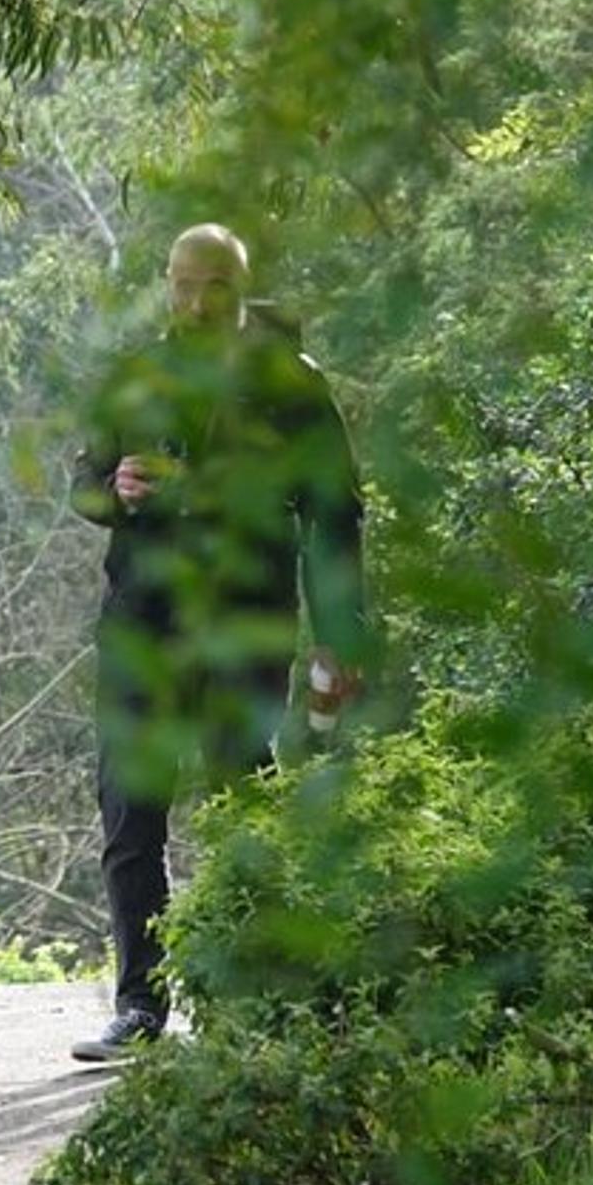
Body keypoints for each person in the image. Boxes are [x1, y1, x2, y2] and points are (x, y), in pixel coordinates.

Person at [69, 224, 369, 1062]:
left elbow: (336, 514)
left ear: (244, 289)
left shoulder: (290, 383)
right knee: (130, 813)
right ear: (166, 284)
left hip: (245, 620)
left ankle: (253, 999)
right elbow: (85, 486)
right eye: (184, 284)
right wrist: (117, 490)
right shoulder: (137, 376)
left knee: (244, 802)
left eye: (217, 288)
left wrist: (342, 636)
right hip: (144, 624)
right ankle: (139, 1004)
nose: (199, 303)